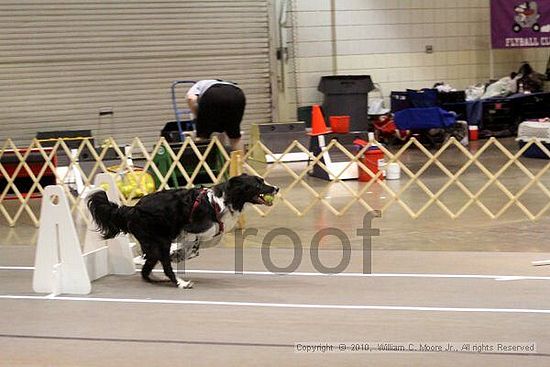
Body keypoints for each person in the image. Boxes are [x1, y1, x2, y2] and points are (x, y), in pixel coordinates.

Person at [186, 79, 246, 151]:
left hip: (213, 94)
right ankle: (240, 161)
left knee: (203, 136)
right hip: (237, 95)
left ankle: (205, 160)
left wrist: (198, 116)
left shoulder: (199, 84)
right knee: (234, 136)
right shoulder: (227, 83)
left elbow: (191, 99)